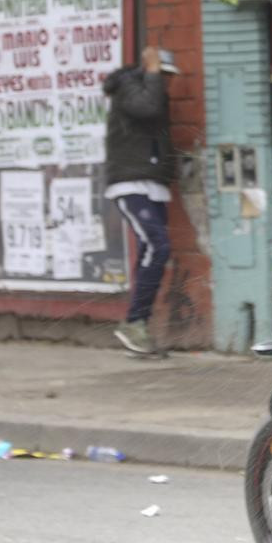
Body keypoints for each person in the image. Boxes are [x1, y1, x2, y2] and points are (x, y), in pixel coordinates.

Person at [103, 46, 180, 355]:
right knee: (157, 246)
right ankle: (134, 322)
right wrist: (150, 71)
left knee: (153, 250)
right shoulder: (131, 89)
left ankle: (137, 327)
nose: (168, 83)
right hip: (129, 183)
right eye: (165, 76)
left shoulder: (152, 93)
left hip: (151, 184)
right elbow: (146, 108)